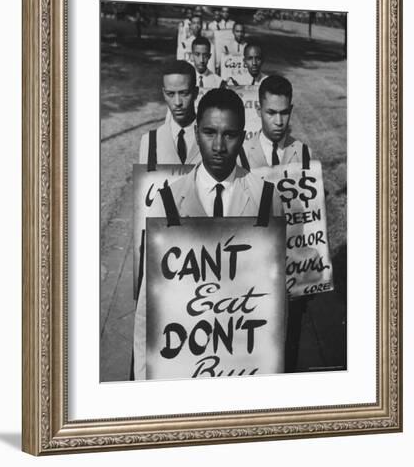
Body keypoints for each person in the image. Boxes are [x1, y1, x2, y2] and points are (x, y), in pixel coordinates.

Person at [133, 89, 283, 378]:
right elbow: (146, 314)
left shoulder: (267, 198)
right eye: (209, 132)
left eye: (229, 135)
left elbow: (274, 306)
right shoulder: (166, 202)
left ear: (243, 136)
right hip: (183, 363)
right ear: (196, 132)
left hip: (243, 364)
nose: (218, 146)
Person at [138, 60, 202, 166]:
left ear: (195, 93)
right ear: (163, 93)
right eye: (170, 94)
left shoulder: (213, 137)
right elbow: (146, 181)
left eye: (184, 93)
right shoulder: (150, 141)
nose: (177, 103)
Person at [243, 74, 311, 168]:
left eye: (284, 113)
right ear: (259, 110)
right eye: (271, 113)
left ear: (290, 110)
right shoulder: (242, 154)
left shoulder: (303, 153)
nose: (279, 122)